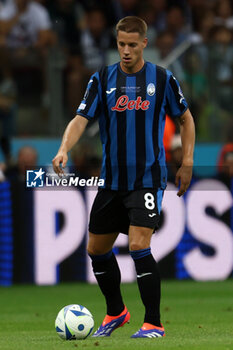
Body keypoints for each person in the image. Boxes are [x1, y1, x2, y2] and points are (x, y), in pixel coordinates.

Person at [52, 16, 195, 339]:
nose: (126, 51)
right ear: (116, 43)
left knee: (137, 244)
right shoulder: (102, 79)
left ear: (145, 43)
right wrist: (64, 149)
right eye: (121, 45)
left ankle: (154, 323)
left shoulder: (162, 78)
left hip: (147, 177)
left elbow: (185, 120)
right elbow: (80, 119)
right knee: (96, 249)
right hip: (112, 180)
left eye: (132, 44)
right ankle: (116, 311)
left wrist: (187, 161)